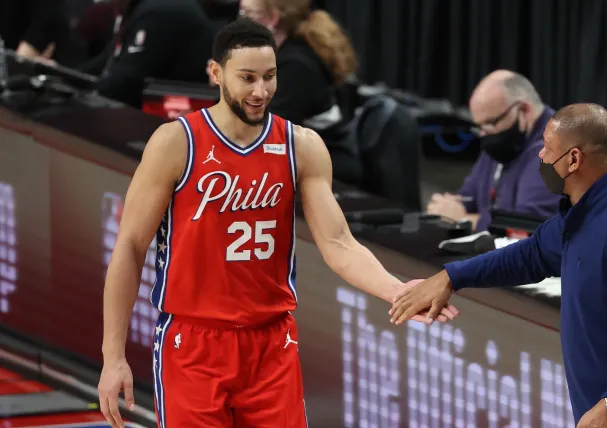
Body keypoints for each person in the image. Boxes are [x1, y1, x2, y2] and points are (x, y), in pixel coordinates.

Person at [97, 18, 458, 428]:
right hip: (194, 342)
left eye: (269, 77)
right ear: (216, 73)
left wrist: (397, 290)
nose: (260, 91)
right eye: (247, 78)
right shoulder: (176, 142)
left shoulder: (299, 145)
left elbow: (339, 242)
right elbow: (129, 247)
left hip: (271, 342)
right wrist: (113, 358)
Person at [391, 104, 607, 427]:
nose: (541, 157)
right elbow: (530, 255)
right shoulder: (582, 209)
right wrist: (451, 277)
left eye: (547, 148)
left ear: (574, 159)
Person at [237, 0, 364, 185]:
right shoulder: (280, 55)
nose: (240, 23)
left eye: (248, 15)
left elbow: (262, 132)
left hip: (327, 171)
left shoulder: (296, 66)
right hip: (300, 159)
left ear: (272, 19)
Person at [426, 70, 561, 232]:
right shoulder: (503, 140)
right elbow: (470, 195)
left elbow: (526, 229)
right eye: (480, 127)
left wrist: (464, 219)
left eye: (490, 123)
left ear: (524, 110)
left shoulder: (554, 151)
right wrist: (450, 206)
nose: (484, 134)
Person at [79, 0, 215, 108]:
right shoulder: (139, 9)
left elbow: (127, 79)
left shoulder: (160, 10)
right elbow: (106, 62)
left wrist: (79, 93)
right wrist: (64, 78)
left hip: (180, 112)